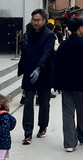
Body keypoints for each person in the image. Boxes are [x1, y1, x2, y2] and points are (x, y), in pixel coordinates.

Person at [54, 18, 83, 152]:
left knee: (68, 112)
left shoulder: (63, 45)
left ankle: (70, 142)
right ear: (80, 28)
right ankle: (82, 136)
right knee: (82, 111)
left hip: (66, 83)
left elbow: (57, 65)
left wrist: (58, 82)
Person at [19, 9, 56, 144]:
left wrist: (39, 68)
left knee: (44, 102)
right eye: (33, 19)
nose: (35, 22)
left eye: (38, 20)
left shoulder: (49, 36)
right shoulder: (28, 35)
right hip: (29, 73)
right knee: (28, 102)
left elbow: (47, 53)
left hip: (44, 73)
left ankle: (43, 126)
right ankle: (27, 132)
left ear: (44, 20)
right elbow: (24, 52)